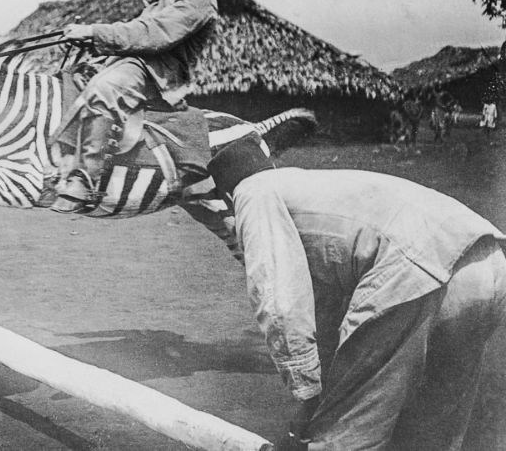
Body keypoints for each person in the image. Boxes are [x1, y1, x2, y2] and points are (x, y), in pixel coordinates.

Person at [206, 139, 506, 450]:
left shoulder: (254, 194)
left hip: (419, 264)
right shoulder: (307, 185)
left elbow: (278, 300)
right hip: (487, 262)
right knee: (432, 430)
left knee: (348, 433)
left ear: (227, 195)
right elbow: (328, 310)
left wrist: (309, 394)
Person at [50, 0, 221, 211]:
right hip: (136, 63)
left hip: (156, 73)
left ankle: (85, 180)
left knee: (104, 89)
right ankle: (60, 162)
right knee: (71, 78)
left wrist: (93, 31)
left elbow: (151, 34)